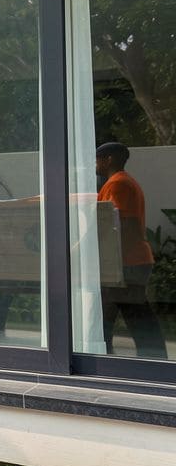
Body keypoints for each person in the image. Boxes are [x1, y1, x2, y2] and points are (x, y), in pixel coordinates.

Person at [95, 142, 166, 359]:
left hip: (127, 262)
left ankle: (154, 361)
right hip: (128, 260)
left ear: (108, 160)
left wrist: (109, 259)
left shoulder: (119, 184)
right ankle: (153, 359)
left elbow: (123, 224)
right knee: (117, 313)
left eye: (97, 159)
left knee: (123, 314)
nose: (94, 164)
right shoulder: (119, 182)